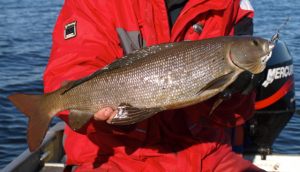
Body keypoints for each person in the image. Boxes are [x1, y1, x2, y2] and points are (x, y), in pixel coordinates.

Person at [43, 0, 264, 171]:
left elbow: (233, 115)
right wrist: (96, 113)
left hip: (206, 153)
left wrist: (238, 92)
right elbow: (71, 67)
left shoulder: (233, 6)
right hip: (113, 155)